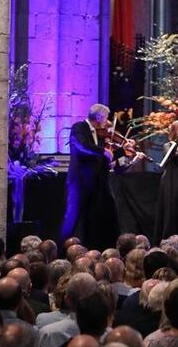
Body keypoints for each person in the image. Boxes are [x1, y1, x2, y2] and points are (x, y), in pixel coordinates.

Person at [60, 105, 120, 249]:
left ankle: (95, 249)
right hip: (79, 183)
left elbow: (102, 158)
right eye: (106, 118)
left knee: (96, 219)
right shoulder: (78, 128)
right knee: (72, 219)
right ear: (99, 118)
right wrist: (103, 151)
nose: (107, 122)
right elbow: (82, 146)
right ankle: (61, 251)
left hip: (97, 184)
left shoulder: (100, 134)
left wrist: (119, 153)